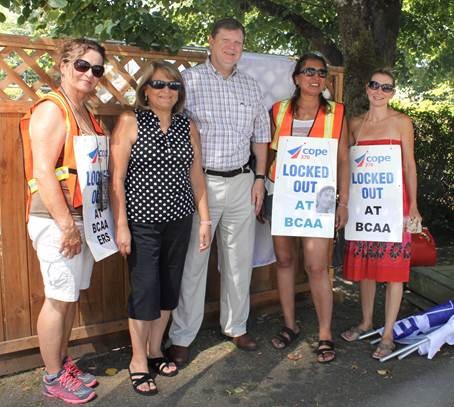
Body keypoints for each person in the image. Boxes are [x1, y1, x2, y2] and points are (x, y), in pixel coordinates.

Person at [167, 17, 271, 365]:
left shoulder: (252, 87)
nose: (232, 48)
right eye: (226, 41)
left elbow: (261, 138)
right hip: (200, 184)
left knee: (239, 261)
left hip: (242, 182)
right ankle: (182, 335)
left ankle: (236, 326)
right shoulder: (188, 82)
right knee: (193, 263)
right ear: (210, 41)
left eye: (238, 43)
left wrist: (259, 178)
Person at [110, 61, 210, 396]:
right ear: (145, 90)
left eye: (174, 86)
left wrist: (204, 219)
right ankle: (138, 361)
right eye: (160, 85)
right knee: (144, 290)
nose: (167, 91)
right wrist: (121, 224)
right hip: (141, 224)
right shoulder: (130, 121)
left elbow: (196, 175)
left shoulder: (187, 126)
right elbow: (117, 179)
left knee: (169, 288)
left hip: (179, 220)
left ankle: (155, 349)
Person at [20, 38, 107, 404]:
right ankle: (52, 375)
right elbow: (43, 171)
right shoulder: (53, 109)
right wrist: (67, 225)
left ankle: (62, 362)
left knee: (68, 297)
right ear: (64, 66)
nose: (90, 74)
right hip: (58, 220)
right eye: (82, 65)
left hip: (81, 218)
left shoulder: (84, 112)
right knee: (57, 299)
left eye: (97, 69)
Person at [266, 53, 349, 363]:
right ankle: (290, 325)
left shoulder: (337, 113)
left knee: (316, 266)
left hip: (321, 197)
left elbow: (342, 160)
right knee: (285, 261)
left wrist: (344, 201)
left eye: (321, 72)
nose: (316, 77)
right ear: (297, 77)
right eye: (309, 71)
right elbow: (267, 153)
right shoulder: (278, 110)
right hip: (283, 193)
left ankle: (325, 333)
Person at [340, 69, 421, 359]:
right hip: (364, 206)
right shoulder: (355, 124)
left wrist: (413, 205)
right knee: (366, 265)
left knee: (394, 270)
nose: (379, 91)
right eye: (374, 85)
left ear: (392, 93)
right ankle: (365, 321)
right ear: (366, 87)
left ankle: (387, 333)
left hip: (394, 205)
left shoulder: (401, 122)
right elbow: (347, 164)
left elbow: (410, 166)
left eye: (386, 87)